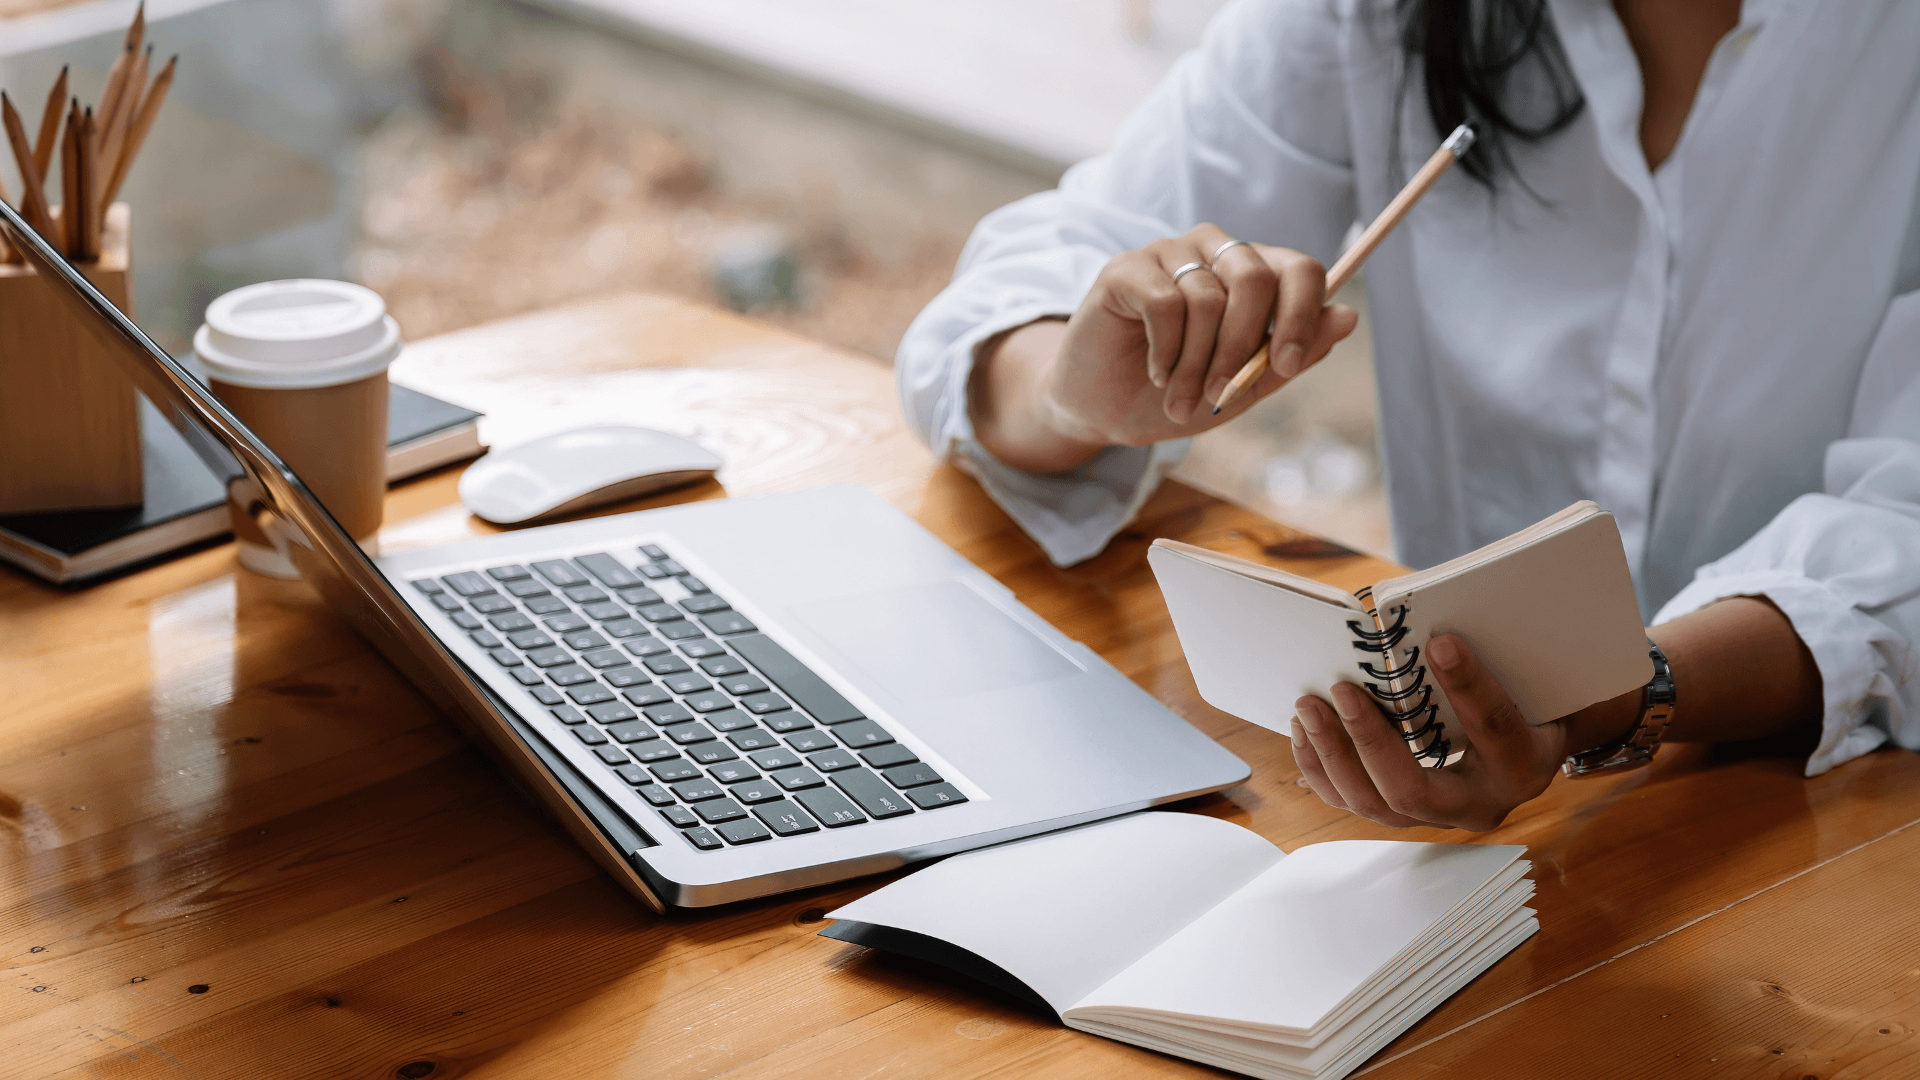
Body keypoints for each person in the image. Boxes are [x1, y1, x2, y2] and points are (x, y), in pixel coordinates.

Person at [895, 0, 1920, 830]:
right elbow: (1037, 283)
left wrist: (1607, 700)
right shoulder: (1378, 16)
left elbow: (1903, 529)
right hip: (1453, 807)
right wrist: (1075, 392)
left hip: (1834, 813)